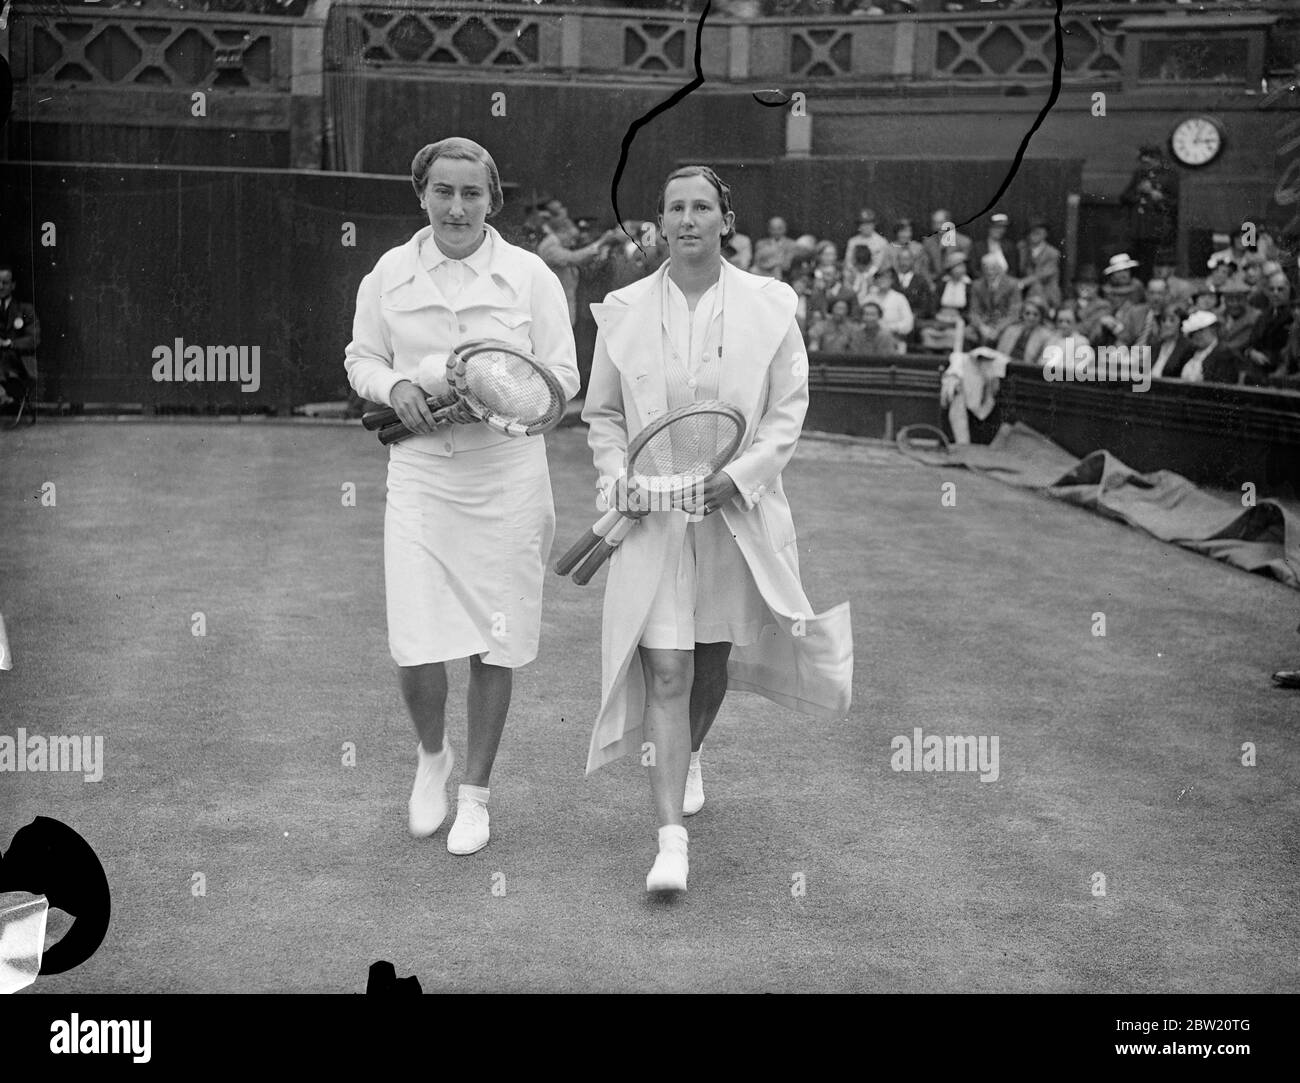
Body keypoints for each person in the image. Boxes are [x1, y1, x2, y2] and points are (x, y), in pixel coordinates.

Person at [581, 164, 852, 894]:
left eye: (703, 206)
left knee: (708, 662)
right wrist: (621, 478)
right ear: (659, 223)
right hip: (654, 520)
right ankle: (670, 843)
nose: (690, 218)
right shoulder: (623, 308)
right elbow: (603, 414)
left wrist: (739, 477)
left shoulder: (771, 306)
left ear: (725, 220)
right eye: (676, 207)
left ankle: (690, 749)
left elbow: (785, 414)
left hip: (735, 512)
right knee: (665, 666)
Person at [344, 137, 581, 857]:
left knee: (494, 639)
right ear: (422, 195)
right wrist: (400, 387)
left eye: (471, 193)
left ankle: (474, 794)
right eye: (442, 191)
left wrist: (498, 392)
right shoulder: (387, 273)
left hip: (506, 477)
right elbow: (362, 358)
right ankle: (431, 755)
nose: (456, 206)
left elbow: (563, 377)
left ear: (492, 199)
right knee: (415, 642)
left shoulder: (531, 275)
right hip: (421, 475)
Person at [535, 196, 622, 326]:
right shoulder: (548, 245)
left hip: (565, 307)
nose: (571, 232)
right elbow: (575, 258)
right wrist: (603, 241)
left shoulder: (557, 239)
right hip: (554, 312)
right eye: (563, 221)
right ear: (550, 220)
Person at [1120, 143, 1180, 279]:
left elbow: (1174, 204)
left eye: (1149, 158)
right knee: (1135, 263)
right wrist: (1139, 191)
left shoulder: (1169, 176)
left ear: (1157, 159)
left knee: (1152, 264)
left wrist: (1155, 194)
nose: (1146, 162)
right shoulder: (1139, 175)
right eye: (1143, 158)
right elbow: (1124, 197)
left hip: (1157, 231)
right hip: (1137, 229)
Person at [0, 264, 40, 413]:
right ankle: (2, 396)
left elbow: (34, 339)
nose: (0, 286)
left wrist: (9, 343)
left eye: (5, 283)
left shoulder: (25, 309)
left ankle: (2, 396)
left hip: (18, 364)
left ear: (13, 285)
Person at [1164, 311, 1241, 384]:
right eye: (1193, 333)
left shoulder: (1224, 354)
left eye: (1201, 331)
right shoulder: (1189, 353)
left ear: (1213, 329)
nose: (1197, 336)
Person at [1097, 253, 1153, 347]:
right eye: (1119, 271)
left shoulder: (1138, 287)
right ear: (1112, 274)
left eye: (1126, 270)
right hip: (1110, 338)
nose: (1123, 274)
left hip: (1136, 335)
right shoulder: (1105, 291)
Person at [968, 253, 1020, 345]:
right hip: (984, 323)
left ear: (1000, 268)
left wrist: (998, 329)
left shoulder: (1012, 284)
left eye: (992, 268)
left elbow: (1014, 313)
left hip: (1004, 324)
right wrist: (981, 327)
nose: (989, 272)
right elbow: (973, 311)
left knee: (1009, 335)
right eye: (986, 268)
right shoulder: (977, 285)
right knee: (967, 333)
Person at [1015, 219, 1061, 311]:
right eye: (1032, 231)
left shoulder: (1052, 253)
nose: (1034, 234)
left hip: (1045, 291)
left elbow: (1042, 275)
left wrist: (1021, 283)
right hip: (1023, 289)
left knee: (1037, 288)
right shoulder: (1021, 247)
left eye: (1039, 232)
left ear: (1046, 234)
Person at [921, 208, 972, 289]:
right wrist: (930, 283)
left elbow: (964, 269)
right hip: (934, 283)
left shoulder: (964, 242)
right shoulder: (928, 242)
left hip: (956, 284)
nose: (938, 226)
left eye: (941, 222)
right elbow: (924, 266)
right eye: (935, 223)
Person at [858, 266, 914, 340]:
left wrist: (890, 328)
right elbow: (859, 320)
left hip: (894, 338)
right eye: (880, 278)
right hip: (869, 339)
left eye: (886, 278)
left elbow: (908, 324)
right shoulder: (868, 298)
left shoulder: (900, 298)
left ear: (892, 280)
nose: (882, 280)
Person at [994, 296, 1052, 365]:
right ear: (1022, 314)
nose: (1031, 317)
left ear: (1041, 316)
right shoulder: (1011, 330)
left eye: (1035, 314)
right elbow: (999, 353)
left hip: (1028, 371)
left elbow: (1043, 362)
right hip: (1005, 367)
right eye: (1027, 313)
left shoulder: (1046, 336)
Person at [843, 208, 890, 281]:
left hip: (875, 277)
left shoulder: (882, 242)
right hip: (855, 275)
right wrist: (857, 275)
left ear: (874, 224)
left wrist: (867, 276)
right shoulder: (852, 241)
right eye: (863, 224)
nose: (866, 227)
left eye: (869, 223)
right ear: (859, 226)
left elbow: (878, 265)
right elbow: (848, 262)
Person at [970, 212, 1019, 279]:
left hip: (1006, 284)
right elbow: (974, 270)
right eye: (997, 227)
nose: (1000, 230)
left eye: (1003, 228)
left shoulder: (1010, 246)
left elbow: (1014, 270)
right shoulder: (978, 247)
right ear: (989, 228)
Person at [1218, 277, 1260, 355]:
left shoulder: (1255, 317)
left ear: (1246, 299)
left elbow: (1236, 344)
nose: (1235, 304)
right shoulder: (1220, 317)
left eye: (1239, 299)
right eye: (1230, 299)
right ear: (1224, 300)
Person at [1150, 304, 1191, 379]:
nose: (1167, 324)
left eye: (1172, 320)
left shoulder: (1187, 347)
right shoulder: (1156, 345)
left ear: (1181, 323)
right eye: (1163, 320)